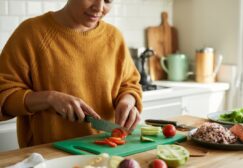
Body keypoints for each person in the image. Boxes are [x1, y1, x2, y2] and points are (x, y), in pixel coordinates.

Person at [0, 0, 142, 148]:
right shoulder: (31, 32)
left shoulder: (114, 36)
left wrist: (127, 101)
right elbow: (3, 95)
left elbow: (130, 84)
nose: (99, 8)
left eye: (108, 1)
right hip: (49, 155)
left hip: (107, 150)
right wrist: (49, 98)